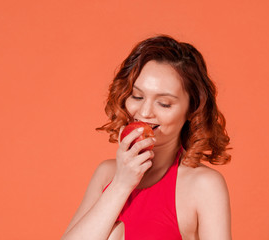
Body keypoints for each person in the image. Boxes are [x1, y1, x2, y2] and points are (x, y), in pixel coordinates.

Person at [61, 35, 232, 240]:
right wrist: (122, 183)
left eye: (164, 103)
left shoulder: (204, 185)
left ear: (191, 110)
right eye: (137, 96)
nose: (144, 111)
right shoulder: (107, 174)